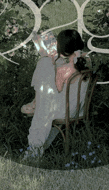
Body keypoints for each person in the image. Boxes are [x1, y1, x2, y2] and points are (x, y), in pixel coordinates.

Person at [21, 29, 92, 159]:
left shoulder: (66, 68)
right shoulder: (85, 59)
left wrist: (53, 65)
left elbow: (57, 88)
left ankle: (35, 148)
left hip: (66, 110)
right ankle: (37, 102)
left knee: (44, 63)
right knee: (45, 62)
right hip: (79, 107)